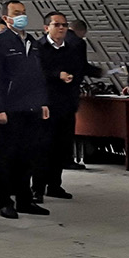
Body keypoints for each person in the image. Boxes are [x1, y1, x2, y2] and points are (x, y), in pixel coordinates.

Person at [0, 0, 50, 219]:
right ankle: (5, 201)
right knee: (7, 156)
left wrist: (43, 102)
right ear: (6, 18)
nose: (22, 16)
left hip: (31, 107)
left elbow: (38, 75)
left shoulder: (32, 42)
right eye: (16, 13)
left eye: (23, 13)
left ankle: (25, 199)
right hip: (10, 109)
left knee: (28, 155)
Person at [37, 11, 94, 201]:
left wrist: (74, 78)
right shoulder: (38, 47)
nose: (61, 28)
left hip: (66, 104)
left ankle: (55, 185)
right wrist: (57, 75)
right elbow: (34, 73)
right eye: (57, 25)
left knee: (61, 147)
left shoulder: (72, 48)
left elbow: (79, 69)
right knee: (43, 147)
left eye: (64, 25)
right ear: (47, 28)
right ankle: (37, 188)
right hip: (45, 104)